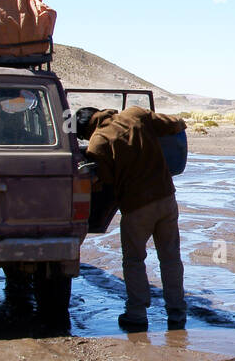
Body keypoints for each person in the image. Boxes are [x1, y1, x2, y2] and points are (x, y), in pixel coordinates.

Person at [76, 106, 187, 331]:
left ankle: (137, 314)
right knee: (171, 258)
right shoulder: (135, 115)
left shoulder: (98, 142)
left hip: (136, 206)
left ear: (86, 129)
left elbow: (104, 181)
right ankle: (176, 312)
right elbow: (176, 124)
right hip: (166, 198)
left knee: (134, 261)